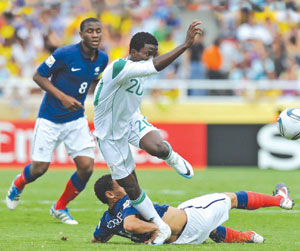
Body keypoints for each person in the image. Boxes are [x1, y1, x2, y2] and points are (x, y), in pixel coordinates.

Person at [93, 20, 203, 244]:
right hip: (110, 134)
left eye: (154, 54)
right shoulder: (119, 68)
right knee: (131, 186)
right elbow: (155, 67)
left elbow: (149, 70)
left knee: (159, 147)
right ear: (133, 52)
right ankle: (160, 226)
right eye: (146, 54)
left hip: (132, 120)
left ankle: (171, 157)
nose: (150, 58)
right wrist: (185, 45)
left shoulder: (140, 69)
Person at [5, 18, 109, 225]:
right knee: (39, 169)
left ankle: (60, 207)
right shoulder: (64, 54)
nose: (95, 35)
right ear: (81, 35)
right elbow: (38, 76)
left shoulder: (103, 59)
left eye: (98, 31)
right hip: (50, 118)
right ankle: (19, 183)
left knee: (87, 167)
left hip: (76, 120)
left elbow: (95, 83)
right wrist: (63, 97)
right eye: (90, 31)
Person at [92, 174, 295, 245]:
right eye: (118, 183)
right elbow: (130, 223)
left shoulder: (106, 221)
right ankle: (280, 199)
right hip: (193, 221)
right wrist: (157, 228)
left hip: (183, 240)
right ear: (110, 194)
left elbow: (97, 239)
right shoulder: (128, 200)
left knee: (211, 228)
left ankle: (247, 237)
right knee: (231, 198)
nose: (124, 183)